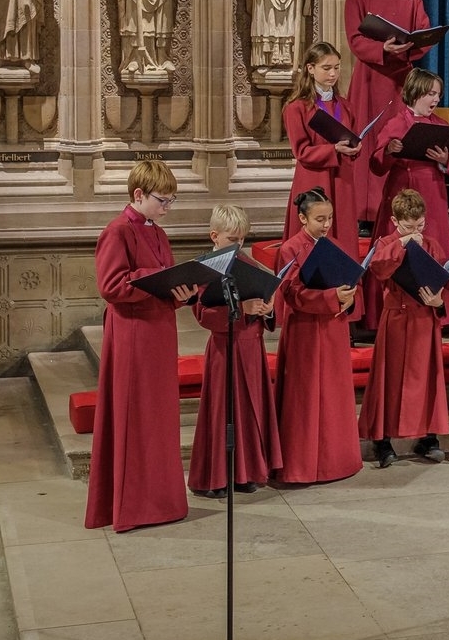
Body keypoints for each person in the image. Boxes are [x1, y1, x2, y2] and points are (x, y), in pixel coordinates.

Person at [85, 160, 196, 532]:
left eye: (171, 201)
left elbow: (166, 283)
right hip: (133, 333)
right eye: (163, 200)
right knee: (136, 419)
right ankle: (134, 508)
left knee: (159, 421)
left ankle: (162, 502)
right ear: (138, 195)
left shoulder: (158, 233)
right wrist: (157, 278)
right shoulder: (116, 232)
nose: (167, 208)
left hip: (159, 333)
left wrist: (183, 291)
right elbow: (112, 286)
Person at [188, 205, 282, 497]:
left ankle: (248, 472)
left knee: (250, 409)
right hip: (224, 349)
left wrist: (267, 310)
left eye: (242, 239)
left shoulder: (249, 265)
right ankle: (217, 477)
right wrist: (242, 308)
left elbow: (265, 302)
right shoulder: (204, 269)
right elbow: (204, 315)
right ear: (214, 236)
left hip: (251, 347)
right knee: (223, 411)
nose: (238, 245)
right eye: (232, 239)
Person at [273, 188, 363, 485]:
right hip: (305, 332)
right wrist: (330, 296)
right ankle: (303, 464)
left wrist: (348, 297)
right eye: (319, 219)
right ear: (302, 218)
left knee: (333, 395)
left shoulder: (333, 244)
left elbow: (348, 280)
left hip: (333, 329)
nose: (326, 225)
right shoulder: (290, 248)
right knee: (306, 396)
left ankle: (337, 461)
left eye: (330, 218)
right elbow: (291, 293)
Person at [344, 0, 432, 224]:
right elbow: (355, 40)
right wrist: (383, 49)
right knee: (369, 139)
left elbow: (423, 34)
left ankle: (401, 210)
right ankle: (365, 213)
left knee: (399, 138)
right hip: (370, 79)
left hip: (401, 79)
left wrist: (407, 48)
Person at [369, 69, 449, 331]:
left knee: (435, 246)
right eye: (431, 93)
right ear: (416, 92)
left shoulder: (440, 125)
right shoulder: (396, 123)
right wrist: (389, 150)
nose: (435, 99)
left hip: (432, 192)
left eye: (438, 94)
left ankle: (441, 310)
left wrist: (444, 159)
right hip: (403, 190)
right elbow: (376, 164)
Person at [363, 190, 449, 467]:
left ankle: (429, 437)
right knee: (390, 379)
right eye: (408, 226)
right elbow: (378, 268)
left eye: (420, 225)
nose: (416, 231)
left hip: (424, 317)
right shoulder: (386, 242)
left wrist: (439, 301)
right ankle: (383, 441)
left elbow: (443, 279)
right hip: (396, 318)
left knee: (426, 378)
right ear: (394, 221)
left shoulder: (432, 243)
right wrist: (401, 242)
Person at [282, 41, 360, 265]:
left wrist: (355, 147)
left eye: (337, 67)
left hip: (342, 179)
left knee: (342, 233)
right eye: (326, 68)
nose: (333, 73)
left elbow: (351, 139)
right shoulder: (296, 108)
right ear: (310, 68)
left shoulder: (345, 106)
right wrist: (333, 149)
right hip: (314, 178)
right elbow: (302, 151)